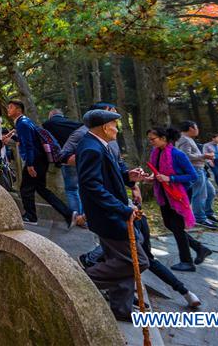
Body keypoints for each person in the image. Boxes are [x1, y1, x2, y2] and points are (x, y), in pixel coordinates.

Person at [75, 108, 149, 322]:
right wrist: (123, 209)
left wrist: (128, 176)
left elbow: (107, 175)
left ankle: (121, 309)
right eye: (115, 125)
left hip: (112, 214)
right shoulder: (91, 148)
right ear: (105, 127)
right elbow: (92, 186)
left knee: (120, 260)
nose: (117, 129)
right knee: (137, 261)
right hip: (109, 216)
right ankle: (81, 281)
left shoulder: (100, 145)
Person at [147, 127, 213, 272]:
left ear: (163, 138)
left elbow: (192, 175)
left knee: (177, 227)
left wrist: (170, 178)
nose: (150, 142)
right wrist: (152, 177)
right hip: (164, 194)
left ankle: (187, 262)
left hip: (178, 196)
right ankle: (199, 248)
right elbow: (159, 172)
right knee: (169, 224)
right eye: (149, 139)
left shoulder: (177, 154)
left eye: (153, 139)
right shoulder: (156, 153)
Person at [7, 100, 80, 228]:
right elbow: (30, 140)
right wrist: (12, 137)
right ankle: (69, 214)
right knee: (41, 189)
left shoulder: (22, 123)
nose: (8, 109)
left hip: (35, 160)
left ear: (19, 110)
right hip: (41, 159)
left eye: (11, 107)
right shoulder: (25, 121)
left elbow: (29, 145)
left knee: (25, 188)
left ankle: (30, 216)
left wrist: (30, 164)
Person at [175, 121, 218, 228]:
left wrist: (205, 157)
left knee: (211, 192)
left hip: (200, 168)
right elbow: (186, 156)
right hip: (195, 169)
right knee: (199, 194)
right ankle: (199, 218)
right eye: (196, 127)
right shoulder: (184, 139)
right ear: (191, 128)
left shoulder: (188, 139)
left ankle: (208, 213)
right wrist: (204, 156)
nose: (198, 130)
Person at [44, 108, 84, 217]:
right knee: (81, 188)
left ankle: (76, 216)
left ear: (51, 116)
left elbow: (47, 142)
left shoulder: (48, 124)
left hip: (66, 160)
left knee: (71, 189)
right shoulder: (74, 124)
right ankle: (84, 216)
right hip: (80, 158)